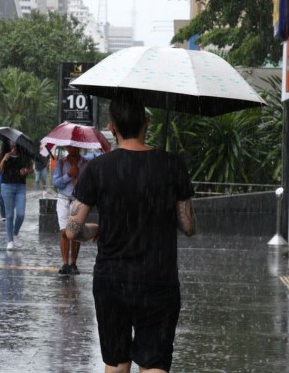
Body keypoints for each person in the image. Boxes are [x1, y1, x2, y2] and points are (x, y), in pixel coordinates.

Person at [67, 95, 196, 373]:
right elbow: (188, 227)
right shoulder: (172, 165)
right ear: (146, 122)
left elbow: (72, 230)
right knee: (154, 363)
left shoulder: (98, 168)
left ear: (111, 128)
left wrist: (94, 231)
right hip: (158, 280)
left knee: (116, 361)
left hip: (112, 281)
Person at [53, 145, 89, 275]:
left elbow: (91, 183)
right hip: (63, 199)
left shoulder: (86, 164)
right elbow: (55, 183)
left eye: (75, 147)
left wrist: (80, 183)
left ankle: (74, 263)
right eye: (70, 147)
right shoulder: (61, 163)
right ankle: (65, 263)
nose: (73, 149)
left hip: (78, 201)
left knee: (75, 233)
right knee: (64, 232)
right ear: (67, 148)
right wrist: (68, 175)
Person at [0, 140, 34, 250]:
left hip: (20, 187)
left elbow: (32, 170)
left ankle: (15, 233)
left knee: (21, 213)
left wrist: (26, 170)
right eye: (9, 140)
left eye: (13, 140)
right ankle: (10, 241)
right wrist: (4, 159)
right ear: (7, 142)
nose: (11, 142)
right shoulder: (3, 154)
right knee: (9, 215)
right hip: (6, 186)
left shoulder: (24, 154)